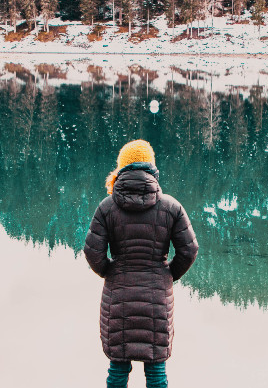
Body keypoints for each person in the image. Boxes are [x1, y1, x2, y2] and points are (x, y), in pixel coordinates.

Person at [84, 139, 199, 388]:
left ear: (121, 169)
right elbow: (189, 250)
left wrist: (110, 272)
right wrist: (167, 274)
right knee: (156, 370)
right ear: (152, 169)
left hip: (118, 297)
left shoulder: (107, 207)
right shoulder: (171, 207)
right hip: (157, 298)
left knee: (118, 367)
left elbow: (93, 252)